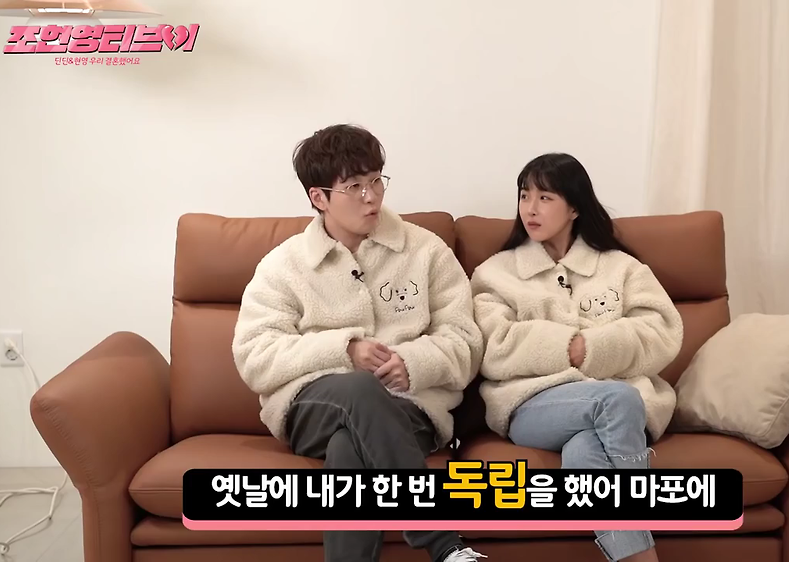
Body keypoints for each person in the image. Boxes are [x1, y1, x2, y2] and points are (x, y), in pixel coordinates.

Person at [232, 124, 487, 562]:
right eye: (354, 187)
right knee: (359, 388)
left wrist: (414, 362)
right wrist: (344, 350)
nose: (371, 197)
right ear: (319, 197)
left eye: (376, 181)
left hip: (410, 410)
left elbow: (466, 339)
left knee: (347, 450)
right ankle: (445, 544)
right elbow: (255, 354)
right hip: (312, 409)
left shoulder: (425, 251)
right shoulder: (284, 266)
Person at [469, 153, 684, 562]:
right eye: (524, 195)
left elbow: (662, 330)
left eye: (545, 197)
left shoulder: (621, 268)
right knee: (618, 400)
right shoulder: (495, 273)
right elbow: (492, 347)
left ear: (574, 208)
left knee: (584, 453)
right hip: (534, 404)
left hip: (613, 406)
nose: (530, 208)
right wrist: (568, 347)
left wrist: (597, 348)